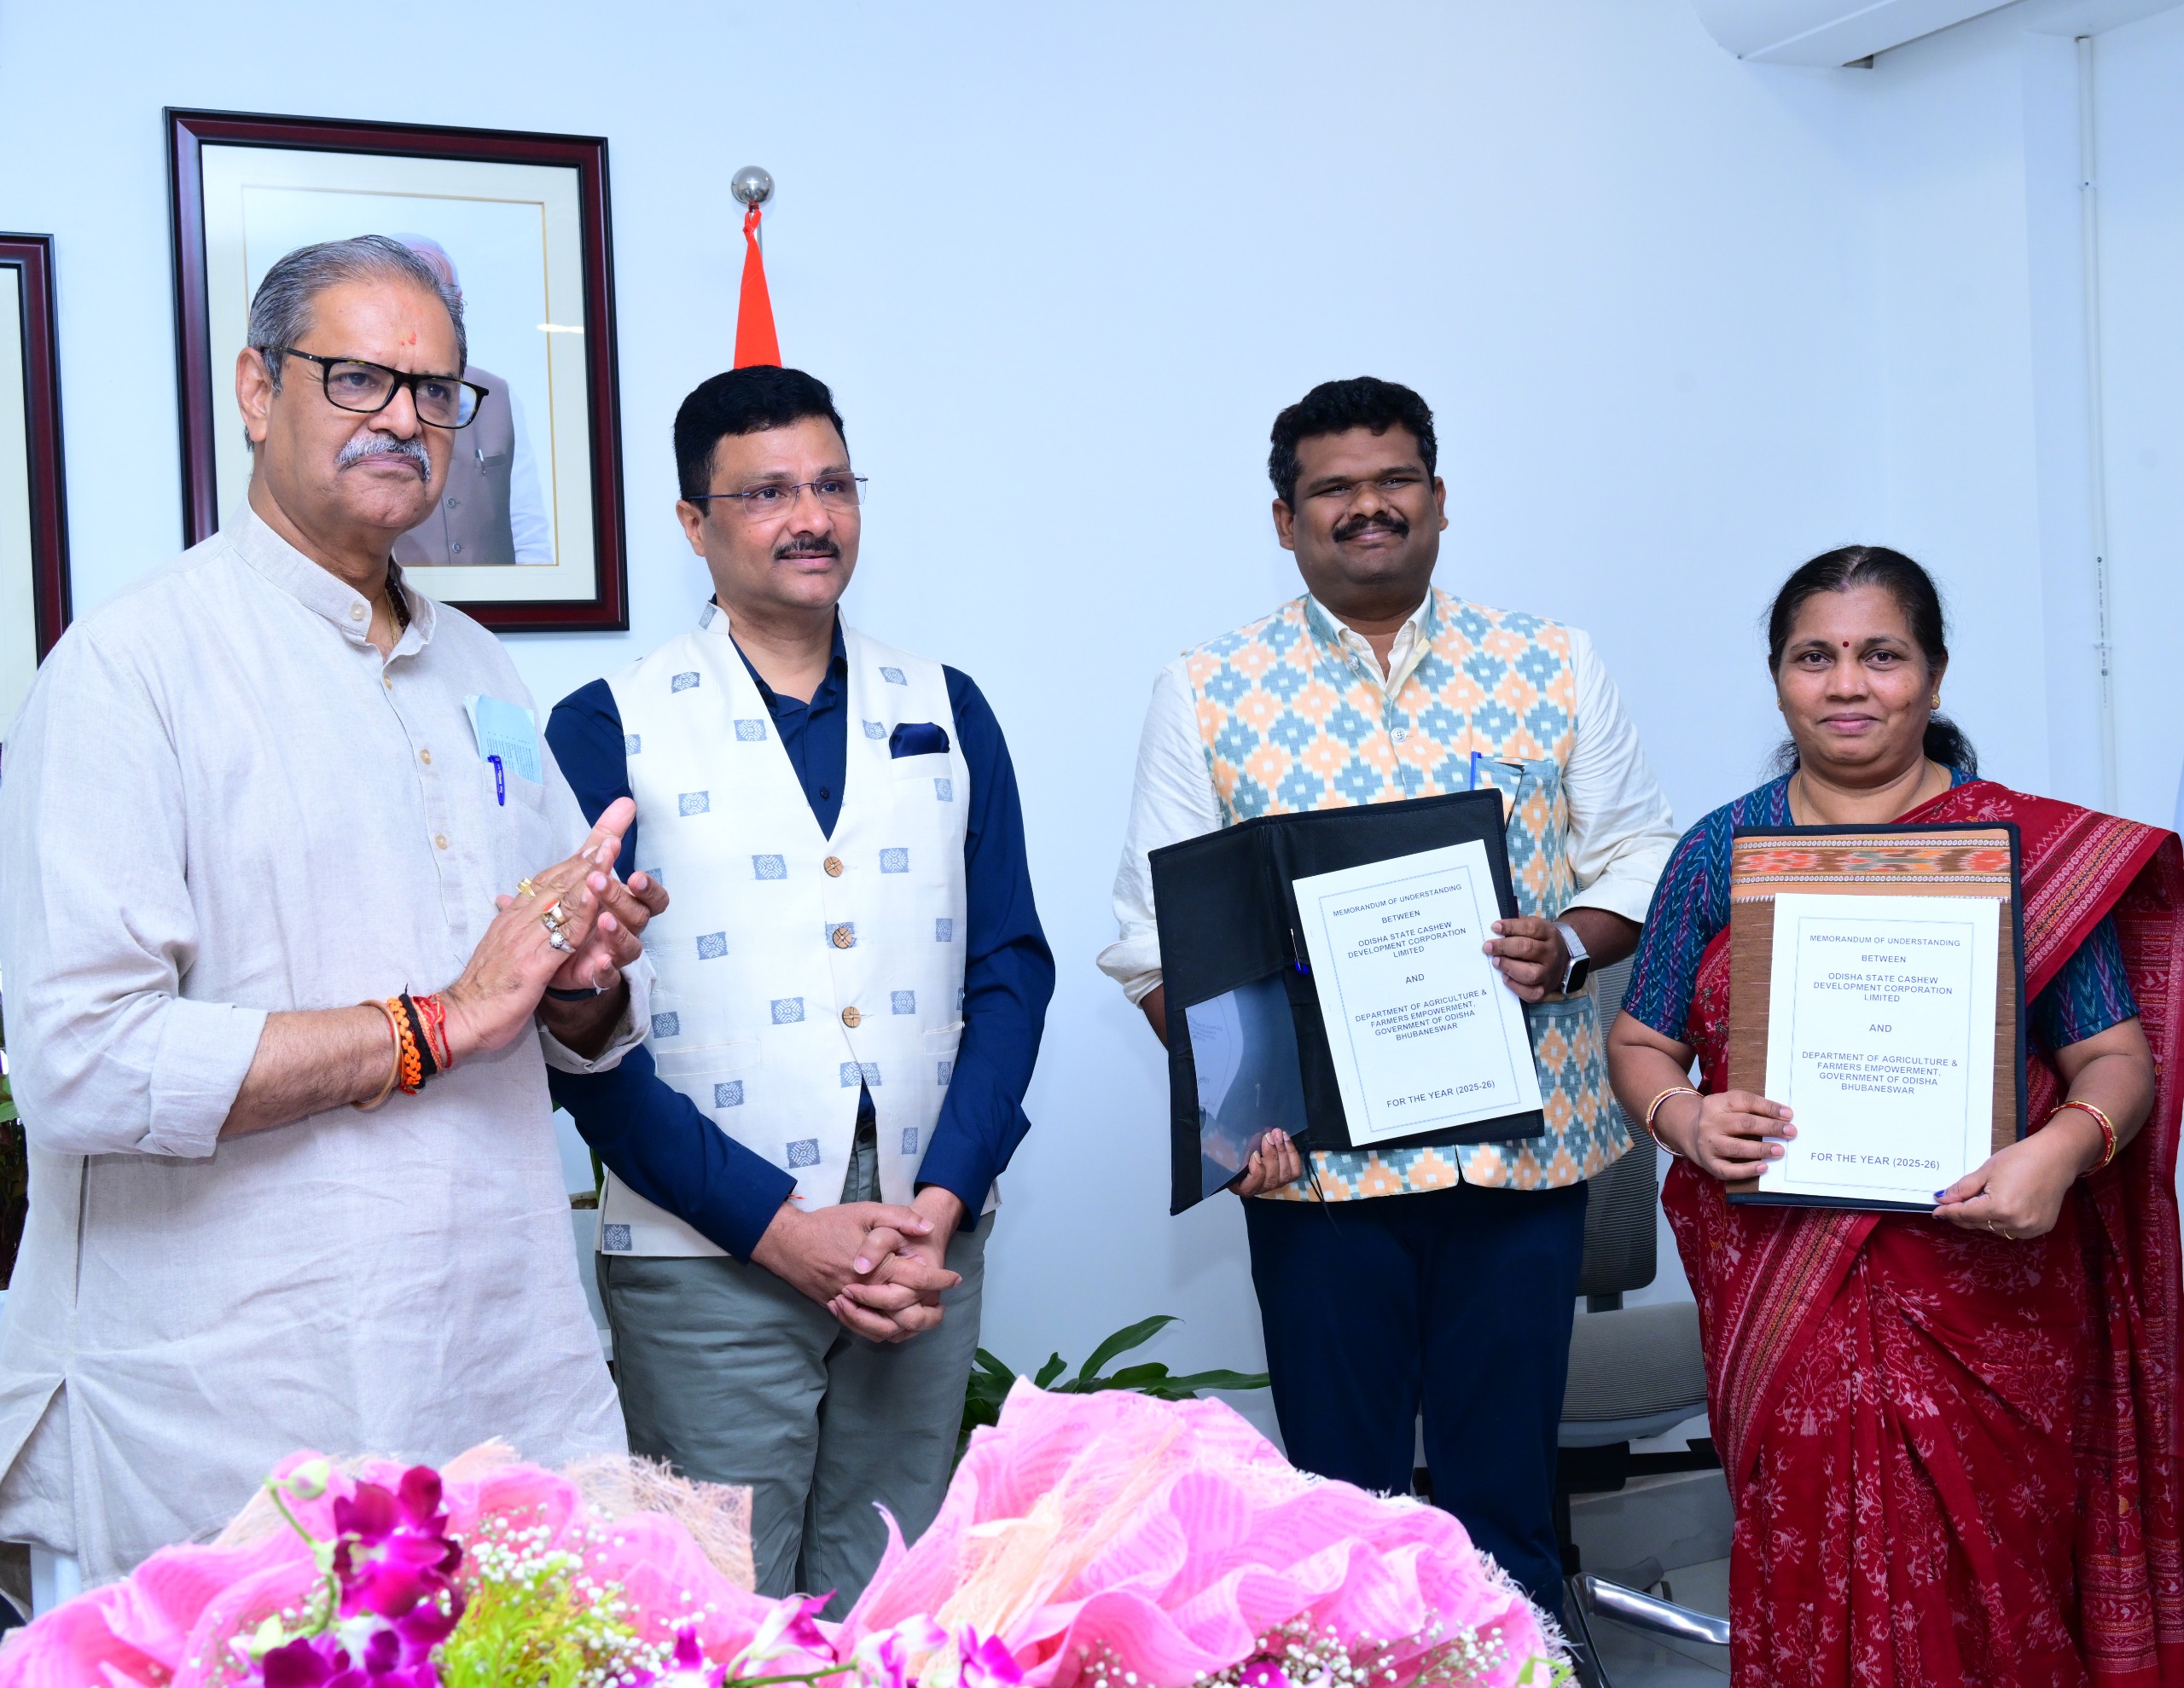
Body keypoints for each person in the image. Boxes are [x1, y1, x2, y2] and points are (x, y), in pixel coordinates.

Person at [0, 235, 665, 1582]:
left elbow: (545, 1005)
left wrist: (582, 977)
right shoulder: (131, 669)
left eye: (436, 392)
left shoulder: (481, 669)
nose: (404, 420)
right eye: (358, 378)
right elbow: (79, 1064)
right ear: (258, 390)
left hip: (498, 1377)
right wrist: (434, 1021)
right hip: (235, 1412)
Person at [1098, 375, 1678, 1615]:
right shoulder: (1209, 687)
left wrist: (1571, 945)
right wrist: (1235, 1117)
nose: (1369, 505)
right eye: (1334, 488)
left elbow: (1642, 853)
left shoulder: (1553, 660)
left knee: (1505, 1514)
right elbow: (1158, 941)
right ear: (1285, 519)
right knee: (1338, 1515)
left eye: (1394, 478)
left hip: (1520, 1161)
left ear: (1440, 496)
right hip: (1321, 1176)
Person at [1606, 546, 2183, 1686]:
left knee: (1997, 1580)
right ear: (1777, 676)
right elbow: (1640, 1040)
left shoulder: (2020, 855)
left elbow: (2115, 1058)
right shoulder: (1718, 850)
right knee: (1806, 1557)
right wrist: (1683, 1117)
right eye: (1813, 656)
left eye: (1881, 654)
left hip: (1987, 1286)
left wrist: (2060, 1150)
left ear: (1934, 672)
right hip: (1785, 1291)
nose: (1847, 684)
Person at [544, 365, 1053, 1610]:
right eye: (767, 492)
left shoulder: (947, 704)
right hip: (704, 1247)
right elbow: (580, 1031)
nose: (811, 517)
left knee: (892, 1604)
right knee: (720, 1619)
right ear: (693, 522)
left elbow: (1008, 967)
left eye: (833, 484)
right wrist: (779, 1230)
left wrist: (941, 1200)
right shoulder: (606, 724)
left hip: (920, 1241)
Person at [390, 236, 553, 567]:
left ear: (459, 303)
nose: (427, 309)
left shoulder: (497, 393)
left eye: (442, 295)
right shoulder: (359, 398)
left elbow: (527, 524)